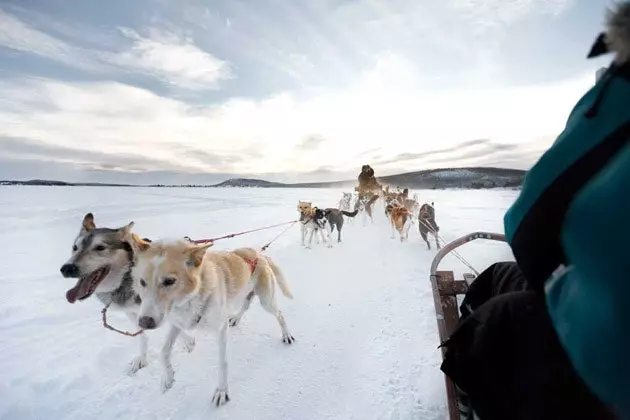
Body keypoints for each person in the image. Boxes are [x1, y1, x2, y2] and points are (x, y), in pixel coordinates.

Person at [441, 3, 630, 419]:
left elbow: (526, 226)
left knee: (494, 321)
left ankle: (476, 399)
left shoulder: (622, 88)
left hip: (607, 358)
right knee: (500, 278)